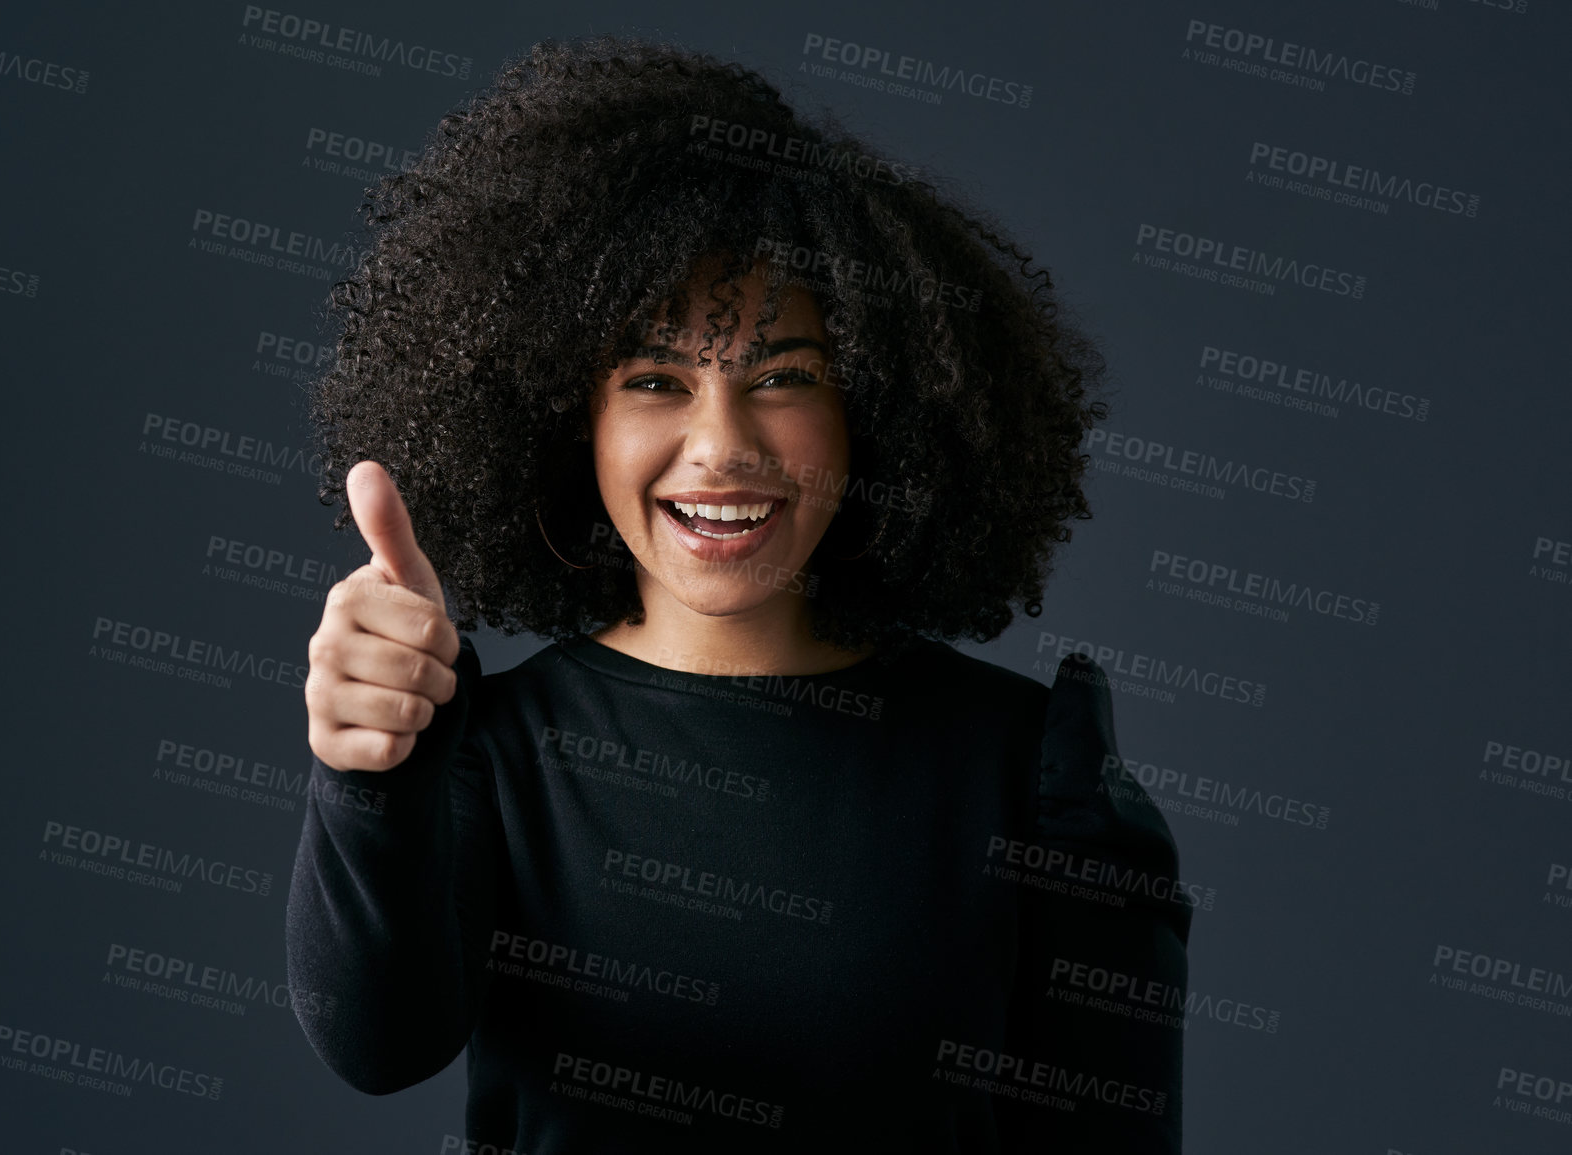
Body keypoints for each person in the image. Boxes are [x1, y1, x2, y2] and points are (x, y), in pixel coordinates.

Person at [286, 33, 1191, 1153]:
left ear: (879, 413)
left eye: (784, 378)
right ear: (576, 420)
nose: (721, 446)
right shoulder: (487, 756)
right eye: (657, 379)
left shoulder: (1028, 779)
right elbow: (378, 1047)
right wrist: (365, 778)